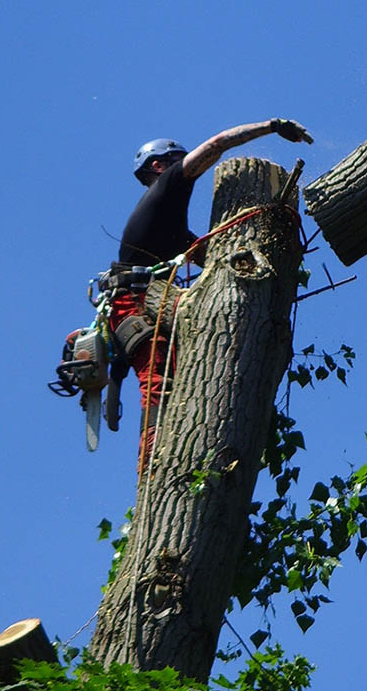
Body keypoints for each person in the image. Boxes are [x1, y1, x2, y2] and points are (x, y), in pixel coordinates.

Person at [106, 119, 312, 464]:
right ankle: (152, 464)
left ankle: (174, 450)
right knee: (159, 386)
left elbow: (214, 260)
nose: (184, 166)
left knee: (180, 375)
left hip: (147, 303)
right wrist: (273, 127)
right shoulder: (165, 189)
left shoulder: (171, 228)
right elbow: (217, 144)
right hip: (136, 304)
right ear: (159, 166)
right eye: (177, 160)